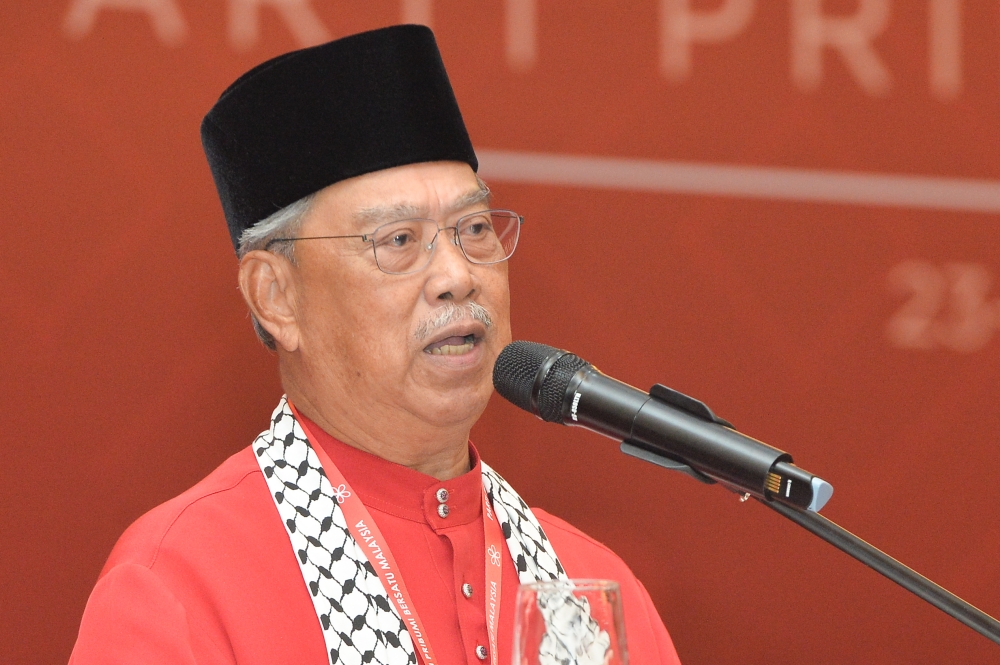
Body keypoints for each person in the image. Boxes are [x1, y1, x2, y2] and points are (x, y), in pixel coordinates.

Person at [69, 25, 682, 665]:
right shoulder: (178, 585)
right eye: (397, 241)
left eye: (473, 228)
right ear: (276, 296)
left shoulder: (591, 596)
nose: (456, 275)